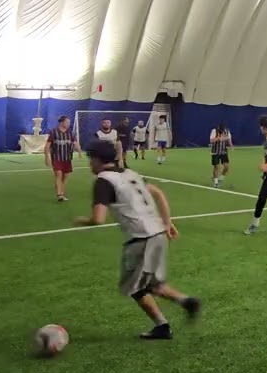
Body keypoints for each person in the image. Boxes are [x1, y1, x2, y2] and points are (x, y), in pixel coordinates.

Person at [74, 141, 200, 340]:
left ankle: (162, 326)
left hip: (142, 239)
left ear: (98, 160)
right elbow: (158, 193)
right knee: (151, 284)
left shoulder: (103, 180)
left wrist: (83, 221)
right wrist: (167, 223)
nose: (90, 164)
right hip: (157, 234)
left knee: (134, 287)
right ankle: (186, 301)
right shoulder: (130, 173)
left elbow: (98, 218)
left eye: (91, 160)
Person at [45, 115, 80, 202]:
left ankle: (61, 192)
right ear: (61, 122)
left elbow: (75, 143)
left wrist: (79, 150)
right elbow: (47, 146)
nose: (68, 124)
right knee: (59, 175)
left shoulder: (71, 133)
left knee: (65, 177)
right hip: (56, 158)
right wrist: (47, 157)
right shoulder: (53, 132)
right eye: (67, 122)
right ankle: (59, 194)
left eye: (69, 122)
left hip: (67, 158)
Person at [210, 122, 232, 186]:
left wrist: (231, 146)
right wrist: (218, 138)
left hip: (223, 151)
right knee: (216, 166)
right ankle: (216, 182)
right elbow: (211, 141)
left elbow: (229, 139)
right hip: (215, 151)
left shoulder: (227, 132)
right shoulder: (214, 131)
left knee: (226, 167)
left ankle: (221, 178)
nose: (222, 131)